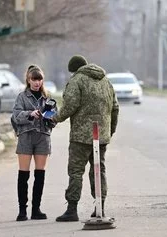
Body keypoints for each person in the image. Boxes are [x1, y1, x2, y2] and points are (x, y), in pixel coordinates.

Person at [53, 55, 119, 222]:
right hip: (101, 135)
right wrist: (110, 131)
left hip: (81, 137)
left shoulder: (77, 80)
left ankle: (72, 210)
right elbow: (115, 107)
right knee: (99, 170)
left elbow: (70, 105)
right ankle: (100, 207)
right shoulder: (105, 81)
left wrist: (55, 118)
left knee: (76, 171)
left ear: (74, 69)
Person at [11, 65, 56, 221]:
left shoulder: (48, 97)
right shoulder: (22, 97)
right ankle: (22, 210)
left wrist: (50, 117)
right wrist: (30, 114)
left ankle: (36, 209)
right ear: (28, 80)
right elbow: (16, 116)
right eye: (34, 79)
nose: (37, 82)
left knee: (40, 174)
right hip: (26, 136)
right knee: (23, 175)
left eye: (39, 79)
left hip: (43, 137)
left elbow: (54, 120)